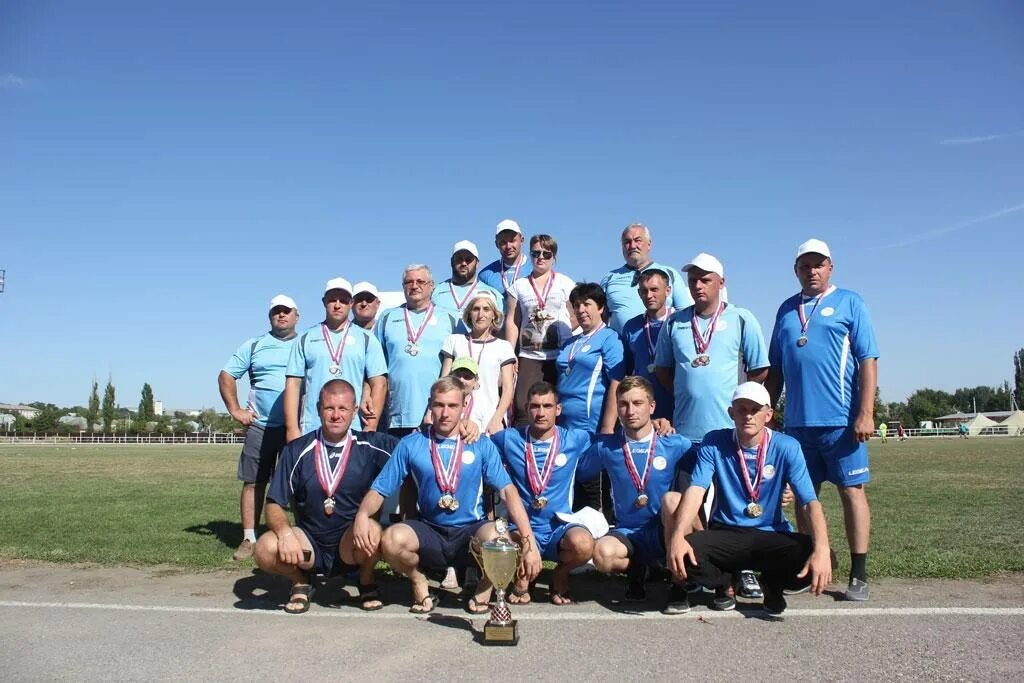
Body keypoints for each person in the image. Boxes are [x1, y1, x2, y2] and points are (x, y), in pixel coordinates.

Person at [352, 378, 542, 614]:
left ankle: (485, 586)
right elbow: (380, 489)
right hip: (430, 531)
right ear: (430, 405)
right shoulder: (412, 444)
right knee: (391, 539)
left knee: (499, 535)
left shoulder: (479, 443)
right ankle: (419, 581)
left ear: (464, 406)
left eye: (452, 406)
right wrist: (362, 515)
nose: (445, 413)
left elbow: (508, 491)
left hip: (470, 532)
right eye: (439, 405)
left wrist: (529, 542)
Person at [766, 238, 879, 602]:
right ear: (796, 270)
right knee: (802, 498)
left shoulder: (850, 302)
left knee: (852, 493)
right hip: (798, 425)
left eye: (818, 264)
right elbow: (776, 371)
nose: (811, 271)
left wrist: (865, 412)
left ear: (830, 267)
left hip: (842, 423)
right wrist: (767, 413)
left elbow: (868, 360)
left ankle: (858, 573)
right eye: (804, 265)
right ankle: (816, 559)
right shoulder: (786, 310)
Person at [653, 252, 770, 600]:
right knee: (685, 508)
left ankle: (739, 570)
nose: (698, 285)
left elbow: (759, 370)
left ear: (722, 282)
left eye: (706, 279)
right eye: (693, 280)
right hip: (687, 436)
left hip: (729, 436)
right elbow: (663, 369)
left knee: (734, 507)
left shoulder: (741, 319)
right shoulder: (674, 323)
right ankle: (692, 574)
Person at [666, 382, 834, 616]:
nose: (748, 416)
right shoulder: (714, 442)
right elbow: (696, 490)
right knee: (684, 553)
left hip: (771, 532)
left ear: (768, 415)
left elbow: (809, 501)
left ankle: (772, 584)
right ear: (731, 413)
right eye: (741, 409)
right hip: (728, 532)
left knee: (825, 556)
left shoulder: (787, 446)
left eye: (755, 410)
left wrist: (822, 549)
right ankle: (725, 581)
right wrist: (677, 536)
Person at [254, 380, 397, 614]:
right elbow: (273, 504)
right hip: (309, 544)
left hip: (351, 543)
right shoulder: (296, 450)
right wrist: (285, 533)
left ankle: (365, 579)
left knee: (371, 527)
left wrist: (461, 426)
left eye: (343, 409)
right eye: (329, 408)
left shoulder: (373, 445)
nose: (336, 415)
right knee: (265, 548)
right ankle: (300, 581)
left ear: (354, 411)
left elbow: (417, 448)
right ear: (318, 409)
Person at [583, 377, 695, 613]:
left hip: (664, 528)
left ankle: (678, 586)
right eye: (623, 404)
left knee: (673, 500)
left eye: (637, 403)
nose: (630, 411)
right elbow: (577, 472)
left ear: (651, 407)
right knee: (602, 555)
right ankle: (642, 569)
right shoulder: (606, 447)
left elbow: (707, 475)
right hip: (628, 532)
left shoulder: (674, 443)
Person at [491, 381, 596, 605]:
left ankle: (560, 575)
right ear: (527, 409)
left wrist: (657, 424)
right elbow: (478, 446)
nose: (541, 413)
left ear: (558, 409)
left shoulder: (576, 439)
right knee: (498, 542)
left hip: (560, 526)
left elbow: (615, 440)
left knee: (584, 544)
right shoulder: (508, 439)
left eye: (547, 406)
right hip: (521, 528)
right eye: (535, 406)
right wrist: (466, 427)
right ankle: (523, 577)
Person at [218, 294, 300, 560]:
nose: (281, 315)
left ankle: (302, 534)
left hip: (296, 428)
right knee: (254, 482)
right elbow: (226, 375)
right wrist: (235, 410)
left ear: (296, 315)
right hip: (261, 427)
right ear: (270, 316)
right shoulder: (255, 345)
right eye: (276, 311)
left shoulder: (307, 342)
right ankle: (249, 537)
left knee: (300, 484)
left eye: (286, 311)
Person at [284, 278, 388, 439]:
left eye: (343, 301)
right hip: (313, 426)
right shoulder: (306, 337)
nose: (337, 305)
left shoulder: (367, 339)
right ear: (324, 302)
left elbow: (379, 383)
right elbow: (293, 384)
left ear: (351, 303)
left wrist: (371, 426)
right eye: (332, 300)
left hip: (355, 427)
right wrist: (292, 429)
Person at [376, 265, 461, 437]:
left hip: (437, 414)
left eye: (420, 281)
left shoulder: (451, 318)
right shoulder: (387, 317)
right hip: (397, 414)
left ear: (432, 286)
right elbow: (376, 368)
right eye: (409, 282)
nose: (414, 286)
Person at [505, 234, 576, 425]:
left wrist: (565, 335)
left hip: (558, 354)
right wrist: (511, 355)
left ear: (554, 257)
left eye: (547, 253)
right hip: (529, 355)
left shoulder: (565, 283)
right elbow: (512, 322)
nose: (541, 257)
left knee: (558, 405)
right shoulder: (518, 286)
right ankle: (522, 447)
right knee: (523, 406)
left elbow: (576, 315)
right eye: (536, 253)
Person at [441, 292, 517, 435]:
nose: (481, 314)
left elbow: (508, 389)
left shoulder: (503, 346)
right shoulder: (454, 341)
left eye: (486, 309)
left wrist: (497, 418)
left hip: (488, 421)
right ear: (469, 314)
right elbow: (443, 381)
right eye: (476, 309)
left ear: (494, 315)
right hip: (457, 419)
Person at [600, 223, 692, 333]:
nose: (632, 246)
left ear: (649, 244)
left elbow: (685, 315)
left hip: (661, 346)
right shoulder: (609, 278)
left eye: (637, 240)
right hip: (621, 347)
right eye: (627, 242)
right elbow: (600, 319)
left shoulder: (669, 274)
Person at [620, 269, 675, 421]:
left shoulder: (680, 322)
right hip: (644, 410)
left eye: (654, 289)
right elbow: (628, 370)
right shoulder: (631, 326)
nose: (649, 295)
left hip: (677, 406)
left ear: (668, 290)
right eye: (644, 291)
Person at [432, 240, 504, 325]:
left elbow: (498, 328)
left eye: (468, 260)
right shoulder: (435, 292)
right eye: (459, 259)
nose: (463, 263)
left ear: (477, 263)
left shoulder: (493, 295)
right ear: (452, 261)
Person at [479, 218, 532, 298]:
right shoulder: (486, 275)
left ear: (522, 240)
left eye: (512, 240)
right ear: (497, 244)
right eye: (503, 242)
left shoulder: (535, 268)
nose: (508, 246)